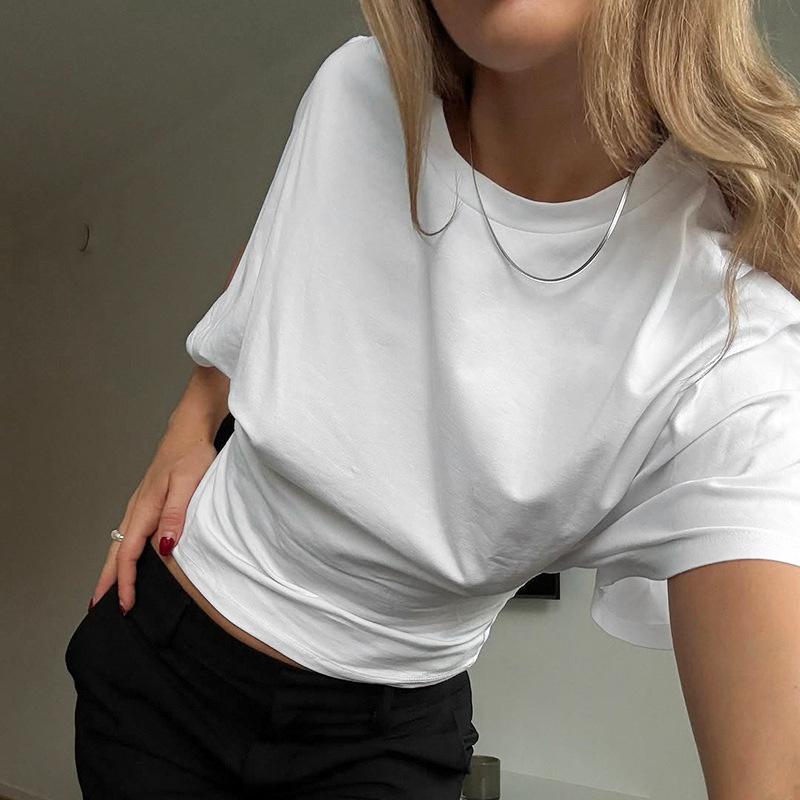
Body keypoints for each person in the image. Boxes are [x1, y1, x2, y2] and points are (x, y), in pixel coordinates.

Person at [65, 1, 800, 798]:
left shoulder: (734, 329)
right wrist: (192, 417)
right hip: (161, 661)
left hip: (382, 746)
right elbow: (285, 246)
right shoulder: (355, 89)